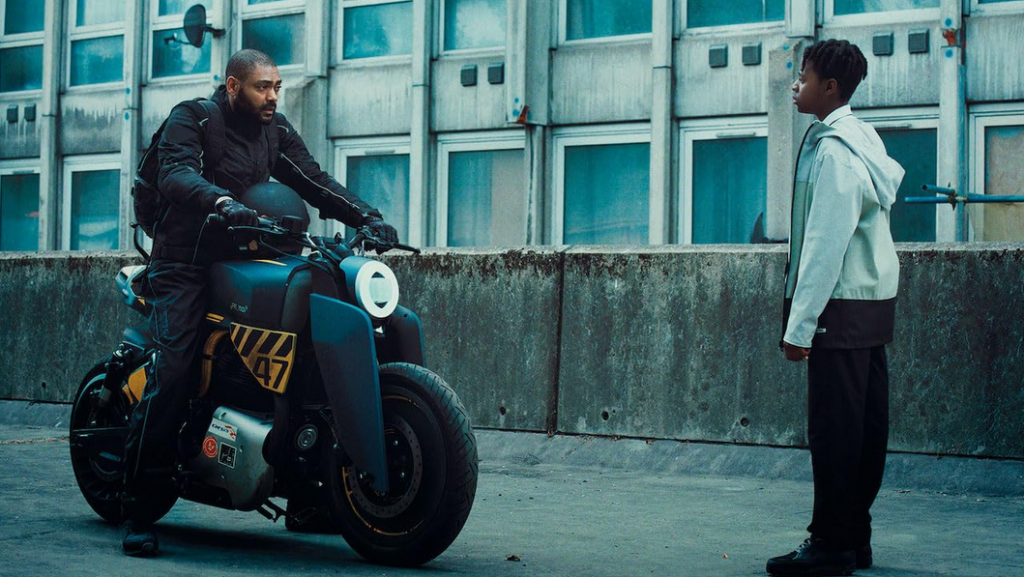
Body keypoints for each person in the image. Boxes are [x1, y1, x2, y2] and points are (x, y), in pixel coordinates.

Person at [119, 49, 399, 557]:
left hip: (247, 255)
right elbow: (175, 176)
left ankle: (309, 495)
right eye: (262, 87)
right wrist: (224, 203)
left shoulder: (274, 130)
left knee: (307, 352)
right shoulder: (193, 120)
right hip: (185, 260)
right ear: (233, 86)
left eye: (276, 86)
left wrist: (368, 215)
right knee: (176, 366)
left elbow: (315, 182)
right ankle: (137, 504)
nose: (272, 96)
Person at [768, 39, 905, 577]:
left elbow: (824, 243)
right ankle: (854, 536)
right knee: (865, 429)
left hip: (838, 308)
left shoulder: (833, 150)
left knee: (834, 432)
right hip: (871, 306)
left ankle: (830, 543)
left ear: (829, 88)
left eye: (802, 76)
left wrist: (799, 326)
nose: (794, 84)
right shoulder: (862, 138)